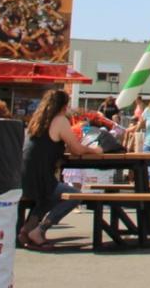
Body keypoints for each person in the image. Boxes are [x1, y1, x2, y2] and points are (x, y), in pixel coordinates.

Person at [19, 89, 103, 250]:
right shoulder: (60, 120)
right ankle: (40, 230)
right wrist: (95, 150)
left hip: (24, 175)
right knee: (74, 196)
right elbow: (77, 150)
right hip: (41, 176)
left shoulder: (37, 120)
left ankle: (27, 230)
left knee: (49, 196)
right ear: (63, 105)